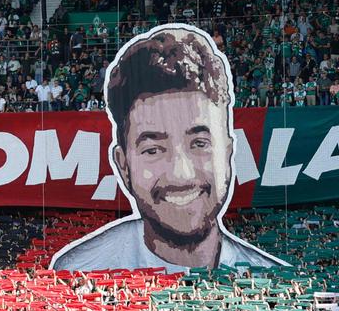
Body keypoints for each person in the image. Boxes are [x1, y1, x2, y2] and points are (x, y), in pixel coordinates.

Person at [52, 25, 284, 272]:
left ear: (228, 152)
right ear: (123, 165)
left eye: (199, 144)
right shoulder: (79, 271)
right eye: (153, 150)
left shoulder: (272, 278)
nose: (181, 174)